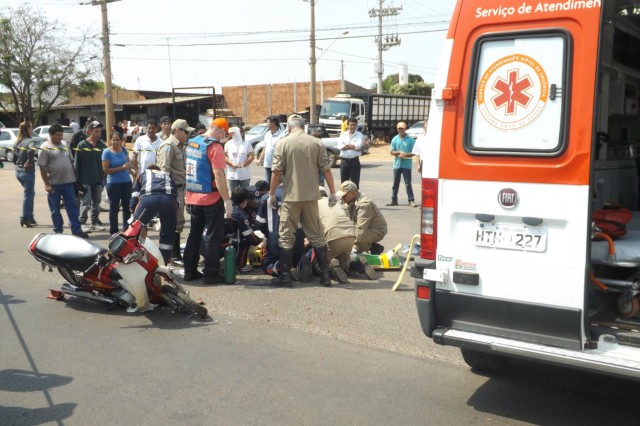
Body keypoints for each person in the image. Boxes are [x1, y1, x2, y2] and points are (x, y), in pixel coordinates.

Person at [269, 115, 337, 287]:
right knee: (317, 236)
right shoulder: (316, 143)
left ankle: (285, 276)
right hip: (311, 197)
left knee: (286, 236)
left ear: (290, 127)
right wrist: (332, 192)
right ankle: (325, 274)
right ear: (303, 126)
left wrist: (271, 194)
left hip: (291, 197)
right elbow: (326, 170)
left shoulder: (282, 143)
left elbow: (276, 172)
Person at [182, 117, 233, 285]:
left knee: (194, 234)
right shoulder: (215, 147)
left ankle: (189, 271)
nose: (224, 137)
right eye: (225, 134)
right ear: (221, 131)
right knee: (212, 235)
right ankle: (211, 274)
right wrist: (227, 200)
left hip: (192, 196)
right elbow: (218, 175)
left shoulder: (193, 141)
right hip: (210, 198)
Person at [37, 124, 89, 238]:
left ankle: (76, 230)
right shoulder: (45, 148)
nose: (60, 137)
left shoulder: (65, 144)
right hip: (54, 184)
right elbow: (42, 167)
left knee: (72, 207)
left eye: (61, 135)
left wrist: (75, 179)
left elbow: (70, 161)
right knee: (55, 210)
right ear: (51, 135)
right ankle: (58, 232)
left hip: (69, 183)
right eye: (57, 135)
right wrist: (46, 184)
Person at [156, 118, 192, 264]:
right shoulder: (169, 145)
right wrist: (168, 193)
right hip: (173, 190)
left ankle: (173, 254)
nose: (187, 135)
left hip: (181, 189)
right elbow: (164, 171)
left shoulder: (180, 146)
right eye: (185, 132)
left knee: (178, 222)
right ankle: (171, 255)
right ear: (177, 130)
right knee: (172, 223)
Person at [130, 165, 178, 265]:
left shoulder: (143, 174)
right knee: (167, 234)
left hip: (148, 199)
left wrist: (132, 208)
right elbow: (175, 194)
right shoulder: (168, 175)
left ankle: (132, 257)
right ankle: (163, 263)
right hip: (169, 200)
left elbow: (135, 193)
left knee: (135, 230)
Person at [317, 187, 355, 284]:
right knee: (344, 265)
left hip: (334, 237)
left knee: (318, 265)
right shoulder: (336, 203)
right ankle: (358, 266)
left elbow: (314, 231)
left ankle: (331, 268)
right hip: (351, 236)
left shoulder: (314, 205)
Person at [75, 120, 107, 232]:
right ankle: (82, 223)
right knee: (85, 202)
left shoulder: (102, 145)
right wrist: (77, 181)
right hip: (85, 180)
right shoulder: (82, 145)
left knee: (97, 202)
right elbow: (77, 164)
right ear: (89, 131)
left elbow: (106, 162)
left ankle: (94, 223)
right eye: (96, 131)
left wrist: (104, 176)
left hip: (98, 180)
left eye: (99, 131)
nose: (98, 134)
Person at [102, 132, 132, 235]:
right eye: (113, 140)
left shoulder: (124, 150)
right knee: (114, 208)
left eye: (117, 140)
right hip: (113, 183)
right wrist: (122, 168)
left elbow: (128, 164)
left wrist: (130, 169)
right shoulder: (106, 152)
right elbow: (106, 170)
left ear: (121, 140)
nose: (115, 142)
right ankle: (114, 231)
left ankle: (126, 230)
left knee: (126, 208)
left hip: (127, 182)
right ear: (110, 140)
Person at [229, 187, 263, 273]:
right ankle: (239, 266)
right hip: (221, 245)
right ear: (244, 201)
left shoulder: (225, 205)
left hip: (207, 244)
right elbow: (251, 238)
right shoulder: (239, 214)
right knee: (244, 240)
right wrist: (260, 241)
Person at [13, 121, 37, 227]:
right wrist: (30, 161)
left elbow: (14, 159)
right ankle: (24, 218)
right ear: (27, 129)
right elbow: (31, 151)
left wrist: (19, 165)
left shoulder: (17, 142)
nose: (32, 130)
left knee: (31, 193)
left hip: (18, 172)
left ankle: (30, 217)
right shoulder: (30, 141)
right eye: (31, 128)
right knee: (28, 195)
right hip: (27, 173)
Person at [387, 121, 417, 207]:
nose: (401, 130)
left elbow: (415, 152)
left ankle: (411, 200)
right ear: (397, 129)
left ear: (405, 129)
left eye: (402, 128)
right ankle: (394, 200)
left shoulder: (410, 140)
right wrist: (398, 152)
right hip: (397, 165)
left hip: (406, 165)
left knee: (408, 183)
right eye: (399, 128)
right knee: (395, 183)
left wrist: (406, 154)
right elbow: (391, 151)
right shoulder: (395, 139)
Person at [337, 116, 364, 188]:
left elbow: (358, 146)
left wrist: (346, 146)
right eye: (351, 125)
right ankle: (344, 199)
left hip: (354, 161)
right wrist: (353, 147)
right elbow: (340, 146)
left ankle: (355, 199)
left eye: (354, 125)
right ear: (348, 125)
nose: (352, 127)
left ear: (356, 125)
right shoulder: (343, 134)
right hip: (344, 161)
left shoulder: (359, 135)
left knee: (355, 183)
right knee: (344, 184)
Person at [224, 126, 254, 191]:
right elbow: (225, 156)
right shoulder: (228, 144)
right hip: (232, 174)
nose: (239, 133)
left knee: (245, 193)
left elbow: (251, 156)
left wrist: (245, 164)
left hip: (244, 174)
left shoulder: (247, 143)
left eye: (241, 132)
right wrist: (231, 164)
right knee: (234, 194)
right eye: (238, 132)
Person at [256, 115, 284, 184]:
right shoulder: (267, 134)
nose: (266, 124)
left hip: (277, 165)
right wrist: (260, 159)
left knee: (277, 184)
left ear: (273, 123)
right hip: (267, 164)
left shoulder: (282, 135)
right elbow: (265, 147)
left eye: (268, 122)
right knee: (269, 184)